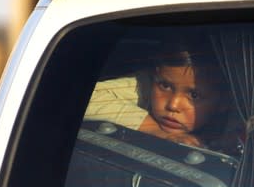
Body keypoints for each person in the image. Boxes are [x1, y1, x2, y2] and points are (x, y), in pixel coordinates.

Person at [85, 34, 238, 153]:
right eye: (165, 86)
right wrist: (153, 128)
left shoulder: (240, 121)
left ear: (225, 102)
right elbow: (89, 97)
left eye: (194, 95)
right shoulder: (147, 84)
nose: (173, 104)